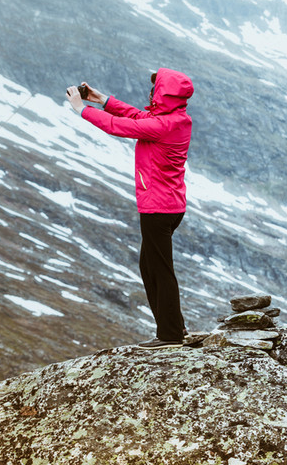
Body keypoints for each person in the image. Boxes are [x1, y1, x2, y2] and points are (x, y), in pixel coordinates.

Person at [65, 68, 194, 349]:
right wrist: (102, 100)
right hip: (168, 206)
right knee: (150, 266)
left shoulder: (163, 126)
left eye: (154, 89)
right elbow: (138, 117)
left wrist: (81, 109)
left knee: (158, 269)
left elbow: (120, 126)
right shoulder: (176, 119)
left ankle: (170, 335)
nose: (150, 93)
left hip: (158, 209)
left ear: (162, 94)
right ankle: (174, 327)